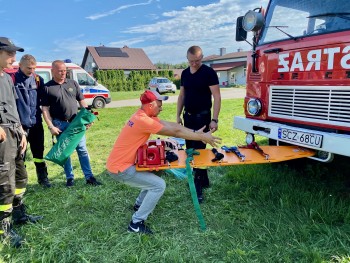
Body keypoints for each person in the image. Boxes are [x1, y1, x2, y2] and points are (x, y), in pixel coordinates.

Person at [106, 90, 221, 235]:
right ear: (150, 105)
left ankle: (138, 204)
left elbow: (176, 126)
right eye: (159, 105)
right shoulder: (143, 120)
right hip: (120, 169)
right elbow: (175, 133)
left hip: (122, 163)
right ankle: (136, 223)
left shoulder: (143, 115)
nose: (161, 108)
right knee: (159, 186)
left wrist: (197, 133)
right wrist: (202, 137)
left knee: (156, 170)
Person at [0, 37, 42, 248]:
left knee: (20, 177)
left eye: (14, 54)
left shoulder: (7, 78)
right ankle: (3, 230)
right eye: (8, 53)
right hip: (2, 137)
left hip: (16, 132)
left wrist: (22, 132)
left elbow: (13, 107)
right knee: (4, 182)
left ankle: (20, 215)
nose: (12, 58)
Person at [41, 60, 101, 187]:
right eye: (60, 71)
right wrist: (51, 126)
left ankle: (89, 177)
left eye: (65, 71)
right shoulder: (47, 87)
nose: (63, 73)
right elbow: (45, 109)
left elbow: (82, 102)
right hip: (59, 125)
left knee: (82, 150)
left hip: (76, 124)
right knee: (66, 153)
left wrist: (87, 119)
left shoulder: (73, 83)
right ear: (53, 71)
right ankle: (70, 178)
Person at [177, 45, 221, 203]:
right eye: (191, 61)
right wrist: (178, 116)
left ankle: (198, 186)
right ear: (187, 59)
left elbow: (217, 96)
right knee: (190, 150)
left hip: (203, 118)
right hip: (188, 118)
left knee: (200, 151)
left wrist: (214, 119)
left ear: (202, 58)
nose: (194, 64)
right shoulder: (184, 73)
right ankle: (204, 179)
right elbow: (182, 96)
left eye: (197, 61)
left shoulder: (208, 73)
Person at [11, 54, 51, 188]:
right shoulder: (12, 79)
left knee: (39, 153)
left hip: (36, 123)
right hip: (20, 126)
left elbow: (43, 100)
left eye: (34, 68)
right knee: (20, 155)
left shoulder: (38, 79)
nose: (32, 71)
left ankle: (43, 178)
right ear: (20, 66)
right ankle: (21, 182)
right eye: (29, 68)